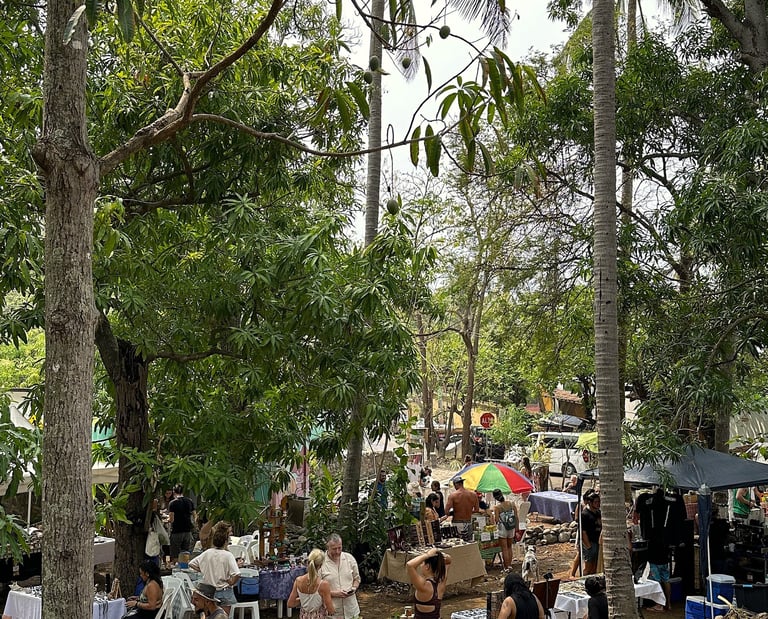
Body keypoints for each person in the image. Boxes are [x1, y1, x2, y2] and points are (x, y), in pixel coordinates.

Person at [188, 521, 241, 613]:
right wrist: (231, 582)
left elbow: (191, 564)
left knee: (209, 615)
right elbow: (237, 574)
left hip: (209, 592)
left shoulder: (207, 553)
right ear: (225, 541)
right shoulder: (228, 555)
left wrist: (203, 570)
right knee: (223, 616)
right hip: (224, 591)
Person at [319, 534, 360, 619]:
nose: (337, 551)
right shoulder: (320, 562)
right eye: (334, 549)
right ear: (327, 547)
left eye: (339, 548)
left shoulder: (349, 558)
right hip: (332, 611)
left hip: (351, 609)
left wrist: (353, 588)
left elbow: (357, 578)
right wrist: (334, 593)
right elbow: (316, 588)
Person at [288, 548, 336, 619]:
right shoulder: (323, 584)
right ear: (321, 565)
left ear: (308, 562)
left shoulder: (298, 581)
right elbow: (331, 610)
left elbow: (290, 604)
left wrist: (303, 599)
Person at [406, 547, 452, 619]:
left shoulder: (423, 586)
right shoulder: (441, 582)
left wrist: (427, 555)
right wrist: (441, 555)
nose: (421, 565)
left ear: (427, 566)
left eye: (422, 563)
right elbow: (448, 561)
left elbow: (410, 565)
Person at [491, 489, 519, 570]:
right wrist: (517, 528)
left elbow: (496, 520)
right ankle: (510, 564)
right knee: (509, 547)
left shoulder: (497, 507)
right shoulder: (511, 504)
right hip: (511, 527)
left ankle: (506, 566)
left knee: (504, 548)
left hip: (503, 528)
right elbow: (516, 517)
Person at [168, 483, 196, 562]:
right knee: (185, 553)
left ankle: (176, 570)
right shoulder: (189, 501)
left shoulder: (172, 503)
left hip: (176, 531)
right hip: (187, 531)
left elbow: (171, 519)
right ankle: (184, 569)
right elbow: (195, 515)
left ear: (174, 492)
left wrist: (167, 520)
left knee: (175, 554)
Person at [580, 490, 602, 576]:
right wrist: (588, 546)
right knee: (588, 568)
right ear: (590, 502)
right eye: (596, 502)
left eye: (599, 502)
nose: (598, 504)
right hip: (590, 543)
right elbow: (583, 531)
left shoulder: (598, 513)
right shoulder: (585, 514)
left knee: (595, 567)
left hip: (597, 542)